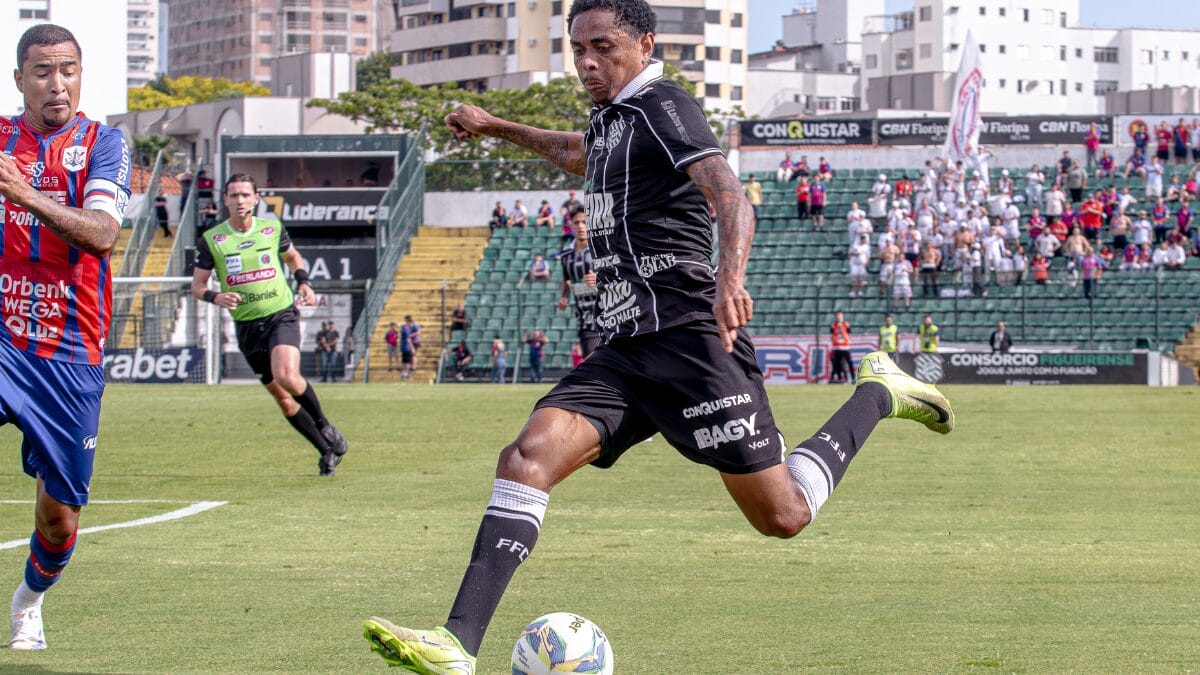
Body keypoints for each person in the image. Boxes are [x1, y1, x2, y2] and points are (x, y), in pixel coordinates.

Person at [363, 3, 956, 672]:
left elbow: (729, 192)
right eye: (578, 47)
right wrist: (496, 125)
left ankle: (877, 390)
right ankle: (457, 642)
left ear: (644, 43)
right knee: (526, 458)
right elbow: (579, 154)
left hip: (689, 339)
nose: (588, 61)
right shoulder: (612, 117)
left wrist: (730, 276)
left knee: (782, 514)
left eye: (604, 47)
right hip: (625, 348)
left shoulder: (662, 103)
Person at [1, 24, 132, 651]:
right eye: (44, 71)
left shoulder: (105, 145)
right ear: (19, 78)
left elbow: (102, 234)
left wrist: (24, 194)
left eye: (69, 69)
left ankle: (28, 601)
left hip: (69, 353)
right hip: (2, 336)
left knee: (58, 521)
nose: (58, 83)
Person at [192, 173, 348, 477]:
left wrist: (304, 282)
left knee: (287, 375)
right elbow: (197, 285)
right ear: (225, 199)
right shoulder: (213, 239)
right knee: (285, 400)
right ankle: (326, 451)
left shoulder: (272, 229)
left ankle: (325, 425)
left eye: (245, 195)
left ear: (256, 198)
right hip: (247, 327)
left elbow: (293, 258)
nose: (240, 200)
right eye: (234, 195)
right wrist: (215, 296)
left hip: (281, 313)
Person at [557, 207, 601, 357]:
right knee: (594, 366)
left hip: (611, 318)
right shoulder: (566, 257)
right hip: (586, 323)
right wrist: (564, 297)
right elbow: (566, 281)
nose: (581, 226)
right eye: (577, 222)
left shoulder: (601, 251)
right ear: (571, 226)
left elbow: (619, 276)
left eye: (584, 222)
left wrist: (599, 280)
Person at [829, 311, 853, 384]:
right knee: (837, 364)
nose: (839, 316)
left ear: (842, 316)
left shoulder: (846, 324)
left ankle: (853, 378)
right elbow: (831, 335)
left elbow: (849, 334)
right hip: (836, 347)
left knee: (849, 362)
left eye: (840, 315)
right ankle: (840, 379)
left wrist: (848, 340)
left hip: (845, 347)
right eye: (837, 315)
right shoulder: (833, 325)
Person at [399, 315, 420, 379]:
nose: (411, 326)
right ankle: (406, 374)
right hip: (406, 347)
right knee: (407, 362)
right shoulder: (406, 329)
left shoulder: (404, 328)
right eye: (411, 324)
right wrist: (412, 348)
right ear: (408, 323)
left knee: (404, 362)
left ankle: (404, 374)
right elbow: (408, 340)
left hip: (403, 347)